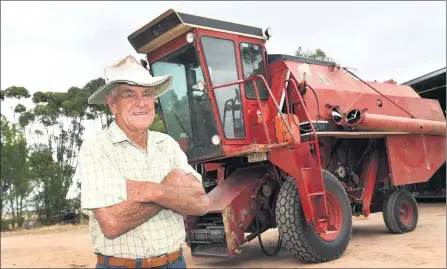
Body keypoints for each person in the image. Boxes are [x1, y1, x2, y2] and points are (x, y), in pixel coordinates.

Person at [77, 55, 209, 269]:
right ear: (112, 104)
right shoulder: (96, 148)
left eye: (147, 94)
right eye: (129, 95)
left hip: (175, 262)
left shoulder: (167, 144)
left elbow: (201, 203)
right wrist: (171, 190)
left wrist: (149, 190)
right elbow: (112, 223)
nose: (141, 103)